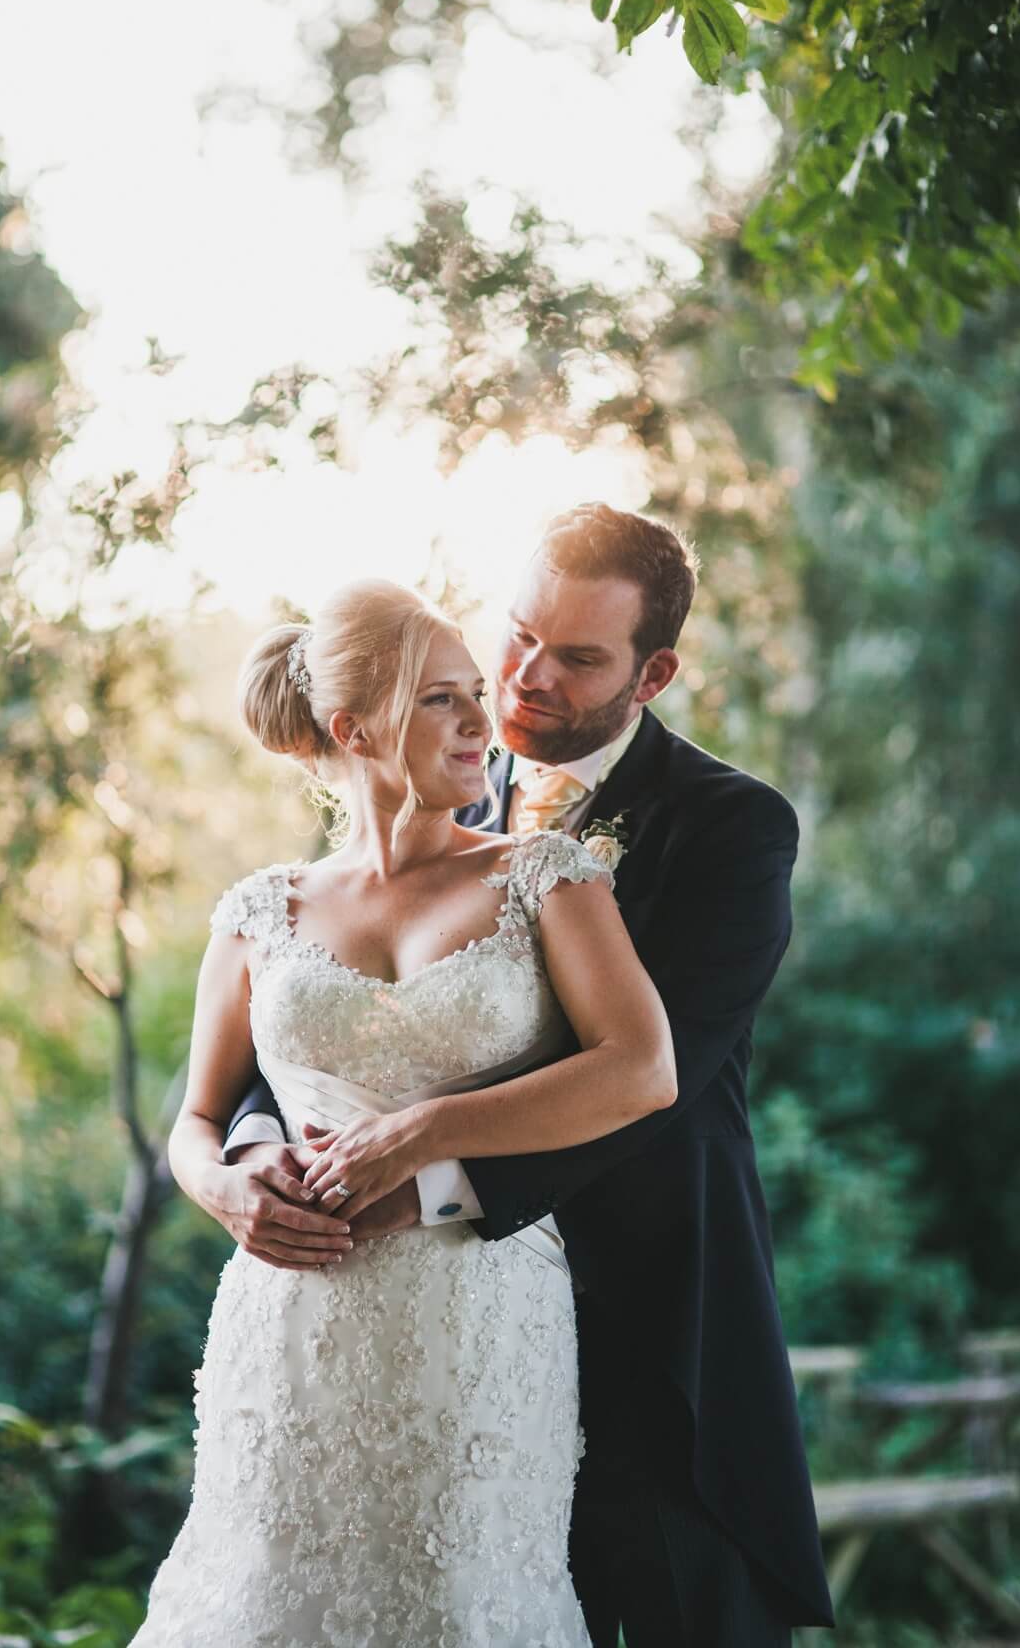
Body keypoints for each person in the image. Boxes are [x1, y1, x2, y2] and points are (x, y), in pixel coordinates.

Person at [224, 505, 835, 1646]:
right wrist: (255, 1153)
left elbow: (661, 1081)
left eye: (579, 657)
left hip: (648, 1331)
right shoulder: (421, 782)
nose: (525, 678)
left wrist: (434, 1174)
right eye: (517, 637)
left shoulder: (731, 829)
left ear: (653, 672)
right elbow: (326, 1023)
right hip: (419, 1354)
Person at [128, 576, 678, 1648]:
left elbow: (641, 1068)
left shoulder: (546, 877)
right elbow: (194, 1123)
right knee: (270, 1594)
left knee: (460, 1597)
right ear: (352, 729)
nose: (485, 721)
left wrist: (425, 1130)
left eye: (477, 692)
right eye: (443, 699)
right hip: (289, 1320)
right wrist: (229, 1190)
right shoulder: (258, 911)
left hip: (479, 1313)